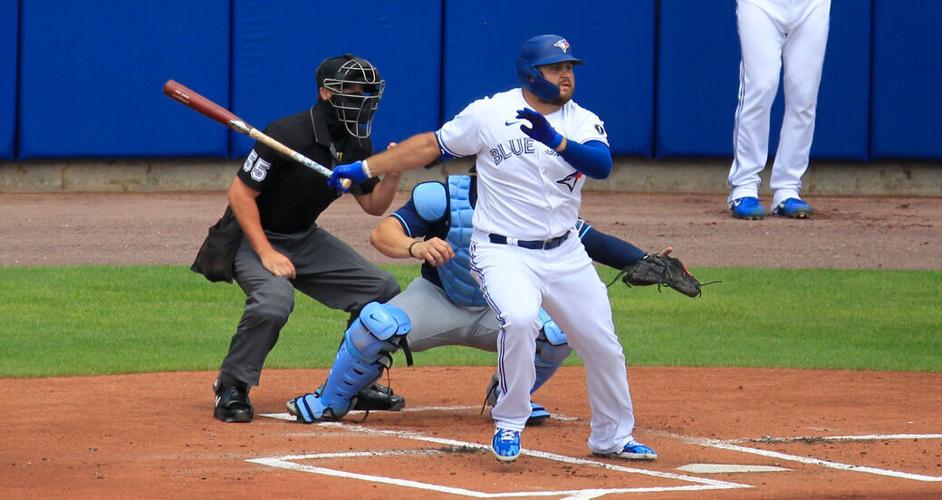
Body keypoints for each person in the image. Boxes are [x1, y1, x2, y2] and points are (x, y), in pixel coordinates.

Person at [326, 34, 656, 463]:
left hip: (565, 252)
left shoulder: (582, 121)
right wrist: (365, 166)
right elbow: (430, 145)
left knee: (602, 343)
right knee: (520, 321)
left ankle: (612, 437)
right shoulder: (490, 113)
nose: (566, 75)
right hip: (502, 251)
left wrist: (555, 140)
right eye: (556, 68)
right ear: (530, 74)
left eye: (570, 67)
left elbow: (602, 165)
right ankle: (510, 421)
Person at [286, 172, 681, 427]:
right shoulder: (442, 196)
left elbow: (592, 241)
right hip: (438, 300)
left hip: (501, 310)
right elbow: (382, 234)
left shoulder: (538, 205)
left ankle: (511, 397)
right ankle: (331, 400)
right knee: (377, 325)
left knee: (558, 332)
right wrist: (414, 247)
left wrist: (642, 260)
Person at [209, 54, 402, 423]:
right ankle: (232, 386)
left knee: (381, 290)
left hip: (303, 237)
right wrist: (265, 252)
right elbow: (240, 195)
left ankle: (354, 382)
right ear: (326, 94)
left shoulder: (356, 141)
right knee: (273, 302)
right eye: (352, 90)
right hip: (252, 237)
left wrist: (392, 173)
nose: (362, 98)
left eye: (367, 91)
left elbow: (374, 205)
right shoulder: (286, 134)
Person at [728, 0, 831, 220]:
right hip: (761, 4)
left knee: (804, 94)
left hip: (812, 5)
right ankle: (744, 186)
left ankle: (787, 188)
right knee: (761, 86)